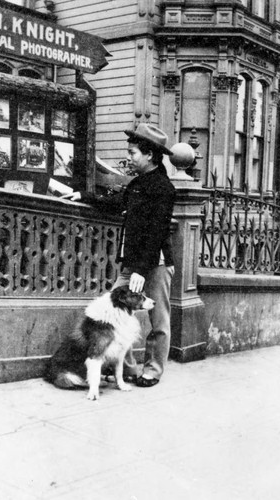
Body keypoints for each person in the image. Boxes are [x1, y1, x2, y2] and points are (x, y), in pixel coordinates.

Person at [61, 123, 176, 387]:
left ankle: (153, 371)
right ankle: (129, 370)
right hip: (133, 263)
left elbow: (157, 232)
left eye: (133, 152)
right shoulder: (138, 183)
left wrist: (140, 269)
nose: (129, 157)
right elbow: (116, 203)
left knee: (158, 319)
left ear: (149, 155)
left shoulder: (163, 188)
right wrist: (84, 195)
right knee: (113, 309)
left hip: (154, 263)